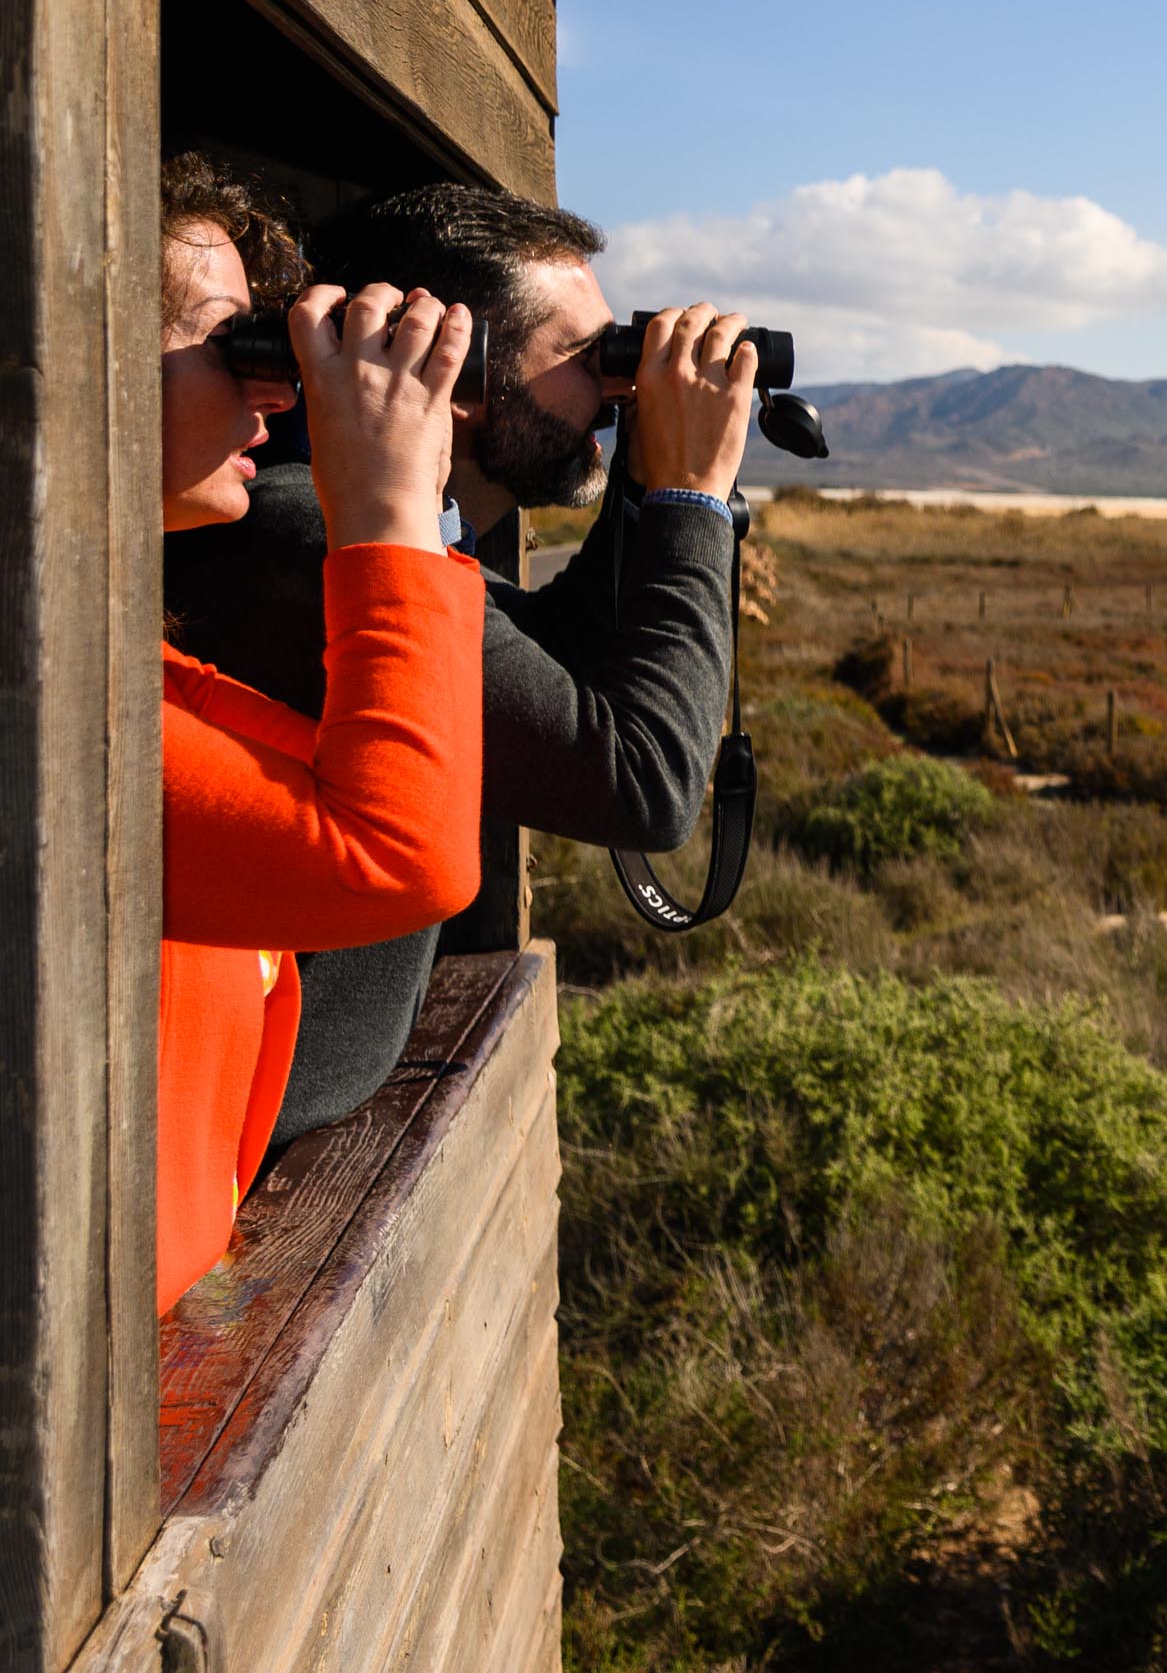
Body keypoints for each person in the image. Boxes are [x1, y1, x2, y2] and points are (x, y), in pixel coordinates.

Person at [162, 178, 759, 1144]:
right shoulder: (300, 533)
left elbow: (546, 665)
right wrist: (692, 503)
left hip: (289, 1128)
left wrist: (653, 476)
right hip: (251, 1149)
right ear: (459, 359)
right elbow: (640, 782)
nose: (613, 386)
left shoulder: (355, 525)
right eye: (585, 356)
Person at [157, 160, 484, 1311]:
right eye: (224, 338)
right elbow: (402, 853)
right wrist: (388, 512)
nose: (277, 394)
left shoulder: (122, 665)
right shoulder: (44, 706)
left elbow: (345, 783)